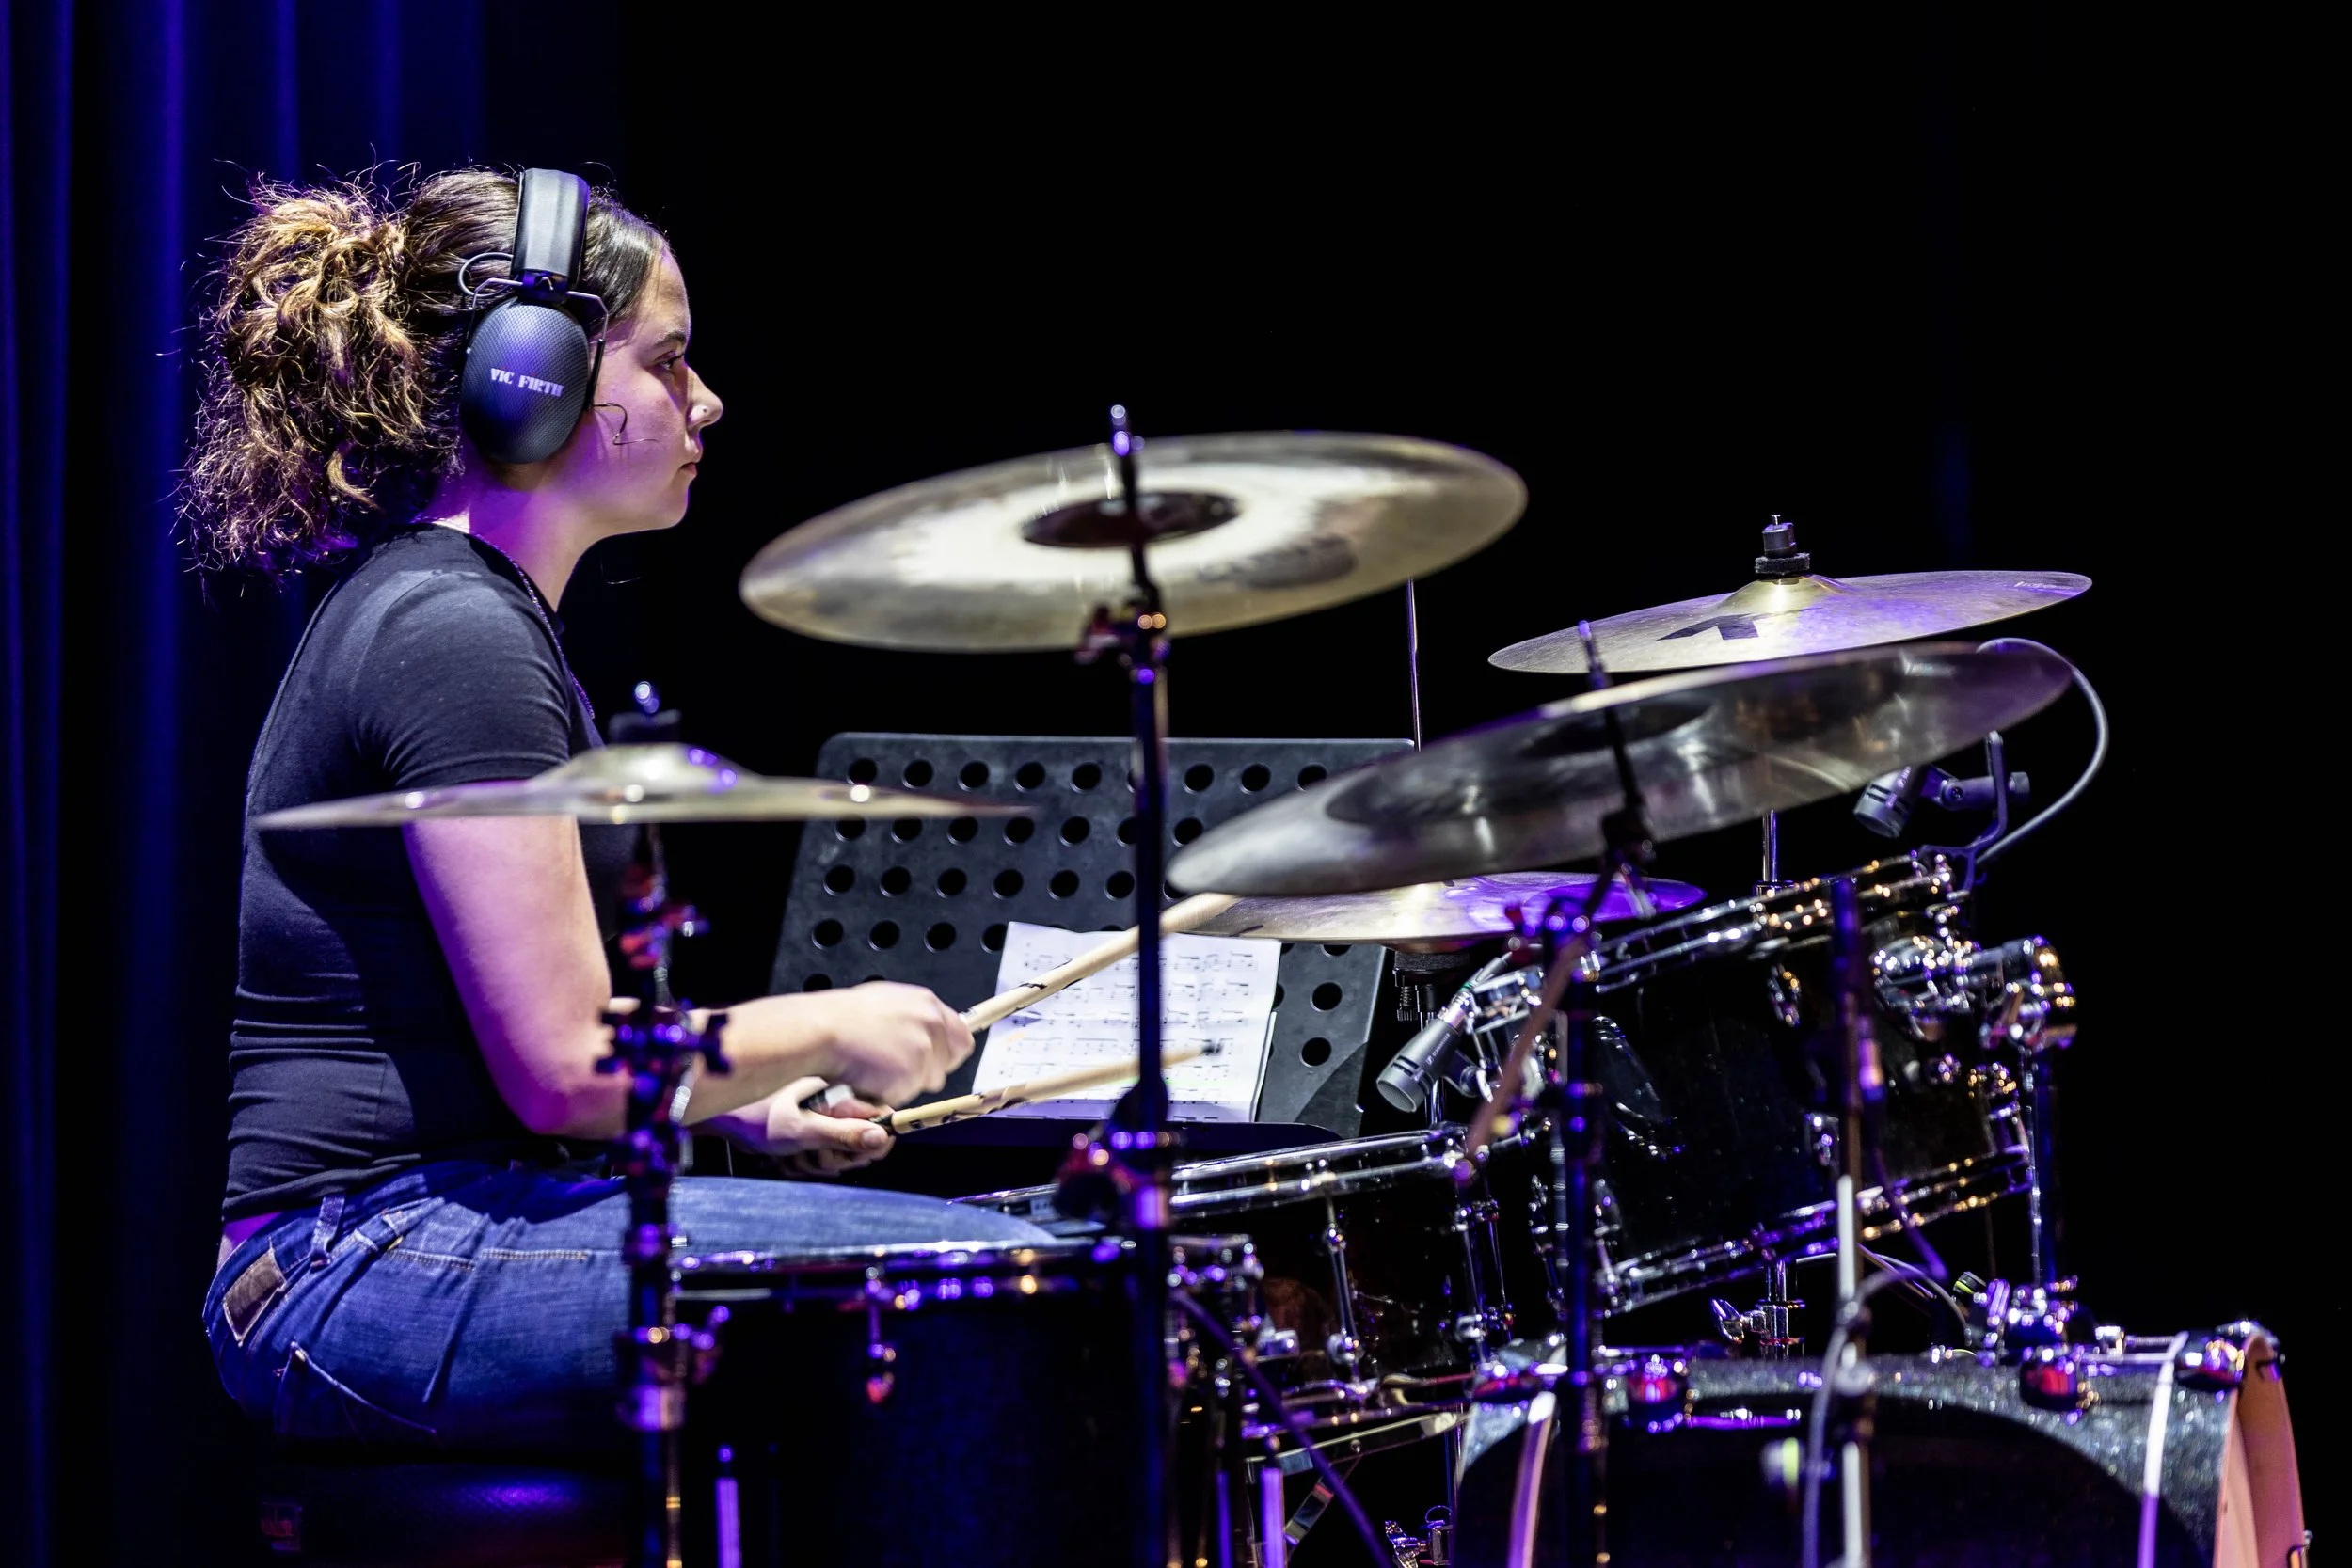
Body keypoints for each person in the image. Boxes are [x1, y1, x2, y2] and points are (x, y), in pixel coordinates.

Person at [188, 167, 1048, 1452]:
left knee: (1006, 1278)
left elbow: (512, 1047)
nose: (706, 401)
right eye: (669, 360)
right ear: (533, 375)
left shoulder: (458, 611)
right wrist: (830, 1020)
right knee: (1008, 1288)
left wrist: (748, 1101)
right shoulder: (452, 631)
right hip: (358, 1259)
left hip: (411, 1232)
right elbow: (568, 1067)